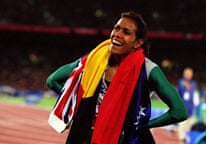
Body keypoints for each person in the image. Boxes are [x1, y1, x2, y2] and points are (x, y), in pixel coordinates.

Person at [46, 11, 187, 144]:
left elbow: (179, 112)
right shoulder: (94, 60)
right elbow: (52, 81)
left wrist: (142, 125)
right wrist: (81, 106)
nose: (117, 34)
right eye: (116, 28)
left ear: (138, 43)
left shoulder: (147, 70)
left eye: (126, 32)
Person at [177, 67, 200, 142]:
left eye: (190, 74)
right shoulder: (180, 81)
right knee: (182, 125)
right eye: (187, 73)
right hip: (182, 107)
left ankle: (187, 139)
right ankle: (181, 140)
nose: (189, 75)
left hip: (190, 108)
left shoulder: (194, 83)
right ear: (184, 74)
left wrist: (196, 103)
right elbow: (179, 92)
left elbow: (195, 93)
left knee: (189, 126)